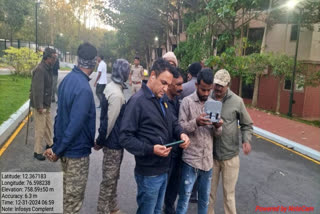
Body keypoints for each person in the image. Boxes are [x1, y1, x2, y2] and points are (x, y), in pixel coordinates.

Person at [119, 58, 190, 214]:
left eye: (168, 85)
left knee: (157, 210)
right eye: (163, 83)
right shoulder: (137, 102)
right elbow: (125, 137)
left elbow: (173, 123)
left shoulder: (162, 99)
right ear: (152, 75)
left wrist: (182, 133)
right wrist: (151, 149)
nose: (165, 88)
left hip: (165, 168)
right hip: (149, 172)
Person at [44, 42, 97, 214]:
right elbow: (75, 125)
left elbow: (60, 117)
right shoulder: (84, 89)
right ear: (94, 62)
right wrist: (57, 148)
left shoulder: (67, 81)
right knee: (73, 204)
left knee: (67, 198)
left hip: (66, 151)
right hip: (76, 154)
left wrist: (56, 146)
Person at [176, 69, 222, 214]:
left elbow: (218, 134)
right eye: (203, 89)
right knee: (184, 199)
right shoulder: (187, 102)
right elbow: (180, 128)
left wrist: (217, 126)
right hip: (190, 160)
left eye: (209, 90)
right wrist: (196, 122)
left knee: (204, 200)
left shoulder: (214, 104)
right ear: (196, 85)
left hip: (207, 162)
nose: (206, 93)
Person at [207, 69, 253, 214]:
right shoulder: (207, 98)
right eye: (216, 85)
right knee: (209, 194)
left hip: (230, 156)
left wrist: (246, 140)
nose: (218, 89)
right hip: (210, 156)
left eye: (221, 85)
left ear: (228, 84)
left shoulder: (237, 101)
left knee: (229, 196)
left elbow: (247, 124)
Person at [95, 59, 131, 214]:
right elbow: (109, 122)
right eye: (128, 71)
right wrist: (100, 141)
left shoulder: (111, 87)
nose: (129, 74)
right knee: (109, 181)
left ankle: (113, 207)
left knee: (113, 178)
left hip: (113, 143)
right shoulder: (117, 95)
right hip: (113, 145)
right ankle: (103, 210)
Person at [30, 47, 56, 161]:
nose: (55, 60)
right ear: (48, 58)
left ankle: (50, 144)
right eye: (54, 58)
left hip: (46, 104)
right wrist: (39, 106)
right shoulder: (40, 69)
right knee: (40, 129)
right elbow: (37, 90)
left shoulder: (48, 68)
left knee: (48, 126)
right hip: (40, 105)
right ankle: (37, 151)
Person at [163, 68, 184, 214]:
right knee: (161, 187)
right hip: (165, 152)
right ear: (169, 83)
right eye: (177, 84)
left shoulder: (177, 100)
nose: (181, 88)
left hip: (178, 151)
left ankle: (169, 208)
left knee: (174, 185)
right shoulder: (160, 102)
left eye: (182, 84)